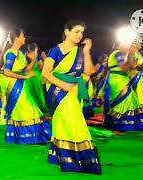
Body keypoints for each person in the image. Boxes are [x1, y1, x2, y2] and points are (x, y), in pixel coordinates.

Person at [42, 20, 101, 174]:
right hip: (58, 90)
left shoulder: (81, 52)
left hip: (75, 91)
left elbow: (88, 72)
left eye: (82, 32)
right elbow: (46, 73)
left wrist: (87, 51)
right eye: (76, 31)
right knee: (68, 122)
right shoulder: (55, 50)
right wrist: (65, 86)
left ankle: (63, 157)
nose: (80, 35)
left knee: (71, 123)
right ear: (67, 32)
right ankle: (71, 159)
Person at [3, 28, 51, 144]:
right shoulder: (11, 53)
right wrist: (25, 77)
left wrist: (34, 61)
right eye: (23, 36)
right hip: (15, 87)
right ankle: (25, 137)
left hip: (22, 85)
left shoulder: (19, 53)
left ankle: (32, 136)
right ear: (17, 38)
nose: (24, 38)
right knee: (26, 110)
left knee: (31, 109)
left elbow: (25, 70)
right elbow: (7, 72)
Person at [103, 41, 143, 131]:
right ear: (120, 45)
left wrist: (133, 57)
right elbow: (125, 68)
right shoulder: (118, 54)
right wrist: (131, 55)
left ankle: (123, 124)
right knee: (126, 101)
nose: (127, 46)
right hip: (118, 80)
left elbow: (130, 67)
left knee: (130, 100)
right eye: (126, 44)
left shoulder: (120, 55)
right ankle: (121, 125)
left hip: (121, 79)